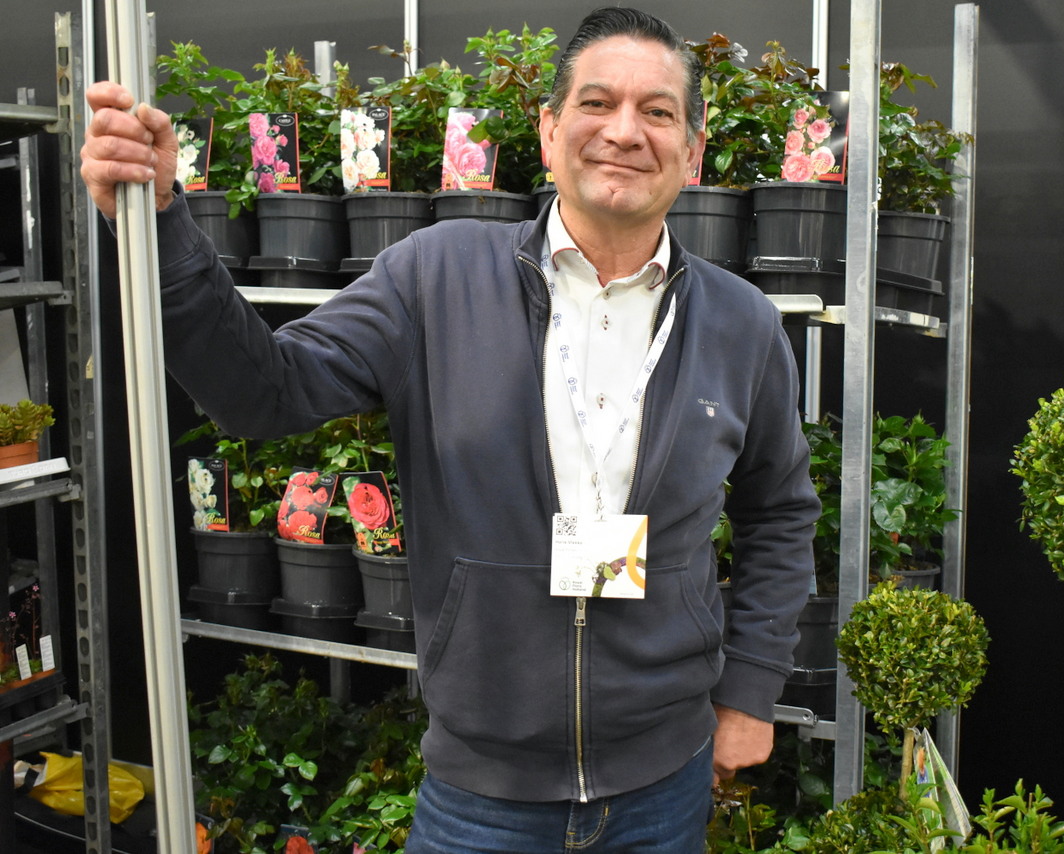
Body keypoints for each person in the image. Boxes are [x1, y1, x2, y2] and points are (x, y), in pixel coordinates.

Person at [80, 7, 819, 852]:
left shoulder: (741, 324)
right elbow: (264, 394)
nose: (624, 131)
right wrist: (161, 225)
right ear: (548, 131)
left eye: (657, 111)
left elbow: (779, 511)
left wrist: (750, 690)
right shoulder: (434, 280)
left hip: (664, 786)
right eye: (596, 103)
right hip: (481, 800)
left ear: (692, 149)